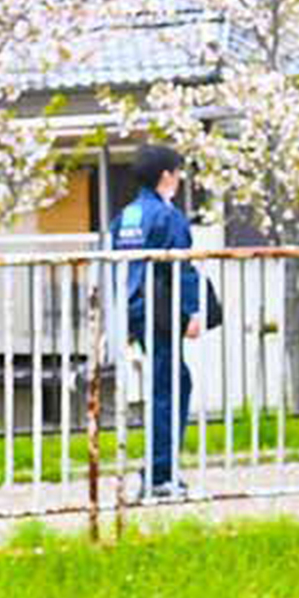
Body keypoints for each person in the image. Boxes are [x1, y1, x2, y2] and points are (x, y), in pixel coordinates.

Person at [113, 143, 204, 501]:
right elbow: (183, 266)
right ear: (166, 176)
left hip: (134, 307)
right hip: (162, 310)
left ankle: (159, 469)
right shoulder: (167, 217)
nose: (180, 179)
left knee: (170, 381)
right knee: (170, 386)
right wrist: (192, 311)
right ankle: (160, 473)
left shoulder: (128, 215)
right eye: (178, 173)